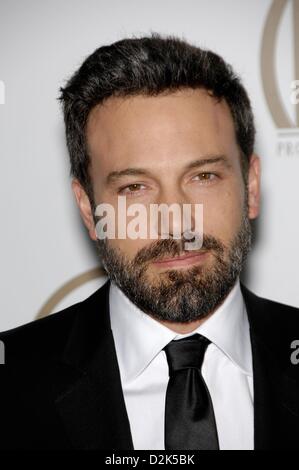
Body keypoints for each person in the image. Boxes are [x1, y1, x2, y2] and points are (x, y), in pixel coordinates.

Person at [1, 33, 299, 450]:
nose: (176, 224)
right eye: (135, 187)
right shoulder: (10, 381)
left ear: (251, 186)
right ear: (89, 210)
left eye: (204, 177)